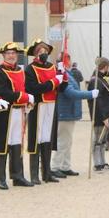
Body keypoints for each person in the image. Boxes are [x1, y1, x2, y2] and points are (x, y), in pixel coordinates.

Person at [0, 43, 33, 189]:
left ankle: (17, 176)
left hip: (19, 111)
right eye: (8, 53)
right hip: (5, 112)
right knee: (3, 145)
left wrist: (27, 101)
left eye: (13, 53)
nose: (11, 55)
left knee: (17, 144)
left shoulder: (21, 71)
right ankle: (1, 179)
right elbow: (3, 93)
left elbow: (25, 88)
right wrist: (24, 97)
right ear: (3, 55)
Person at [24, 39, 65, 184]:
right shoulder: (30, 69)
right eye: (41, 51)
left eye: (46, 51)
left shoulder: (52, 67)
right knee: (36, 138)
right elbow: (33, 88)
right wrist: (54, 82)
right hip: (38, 106)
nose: (44, 54)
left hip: (51, 105)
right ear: (35, 54)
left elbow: (61, 89)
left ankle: (47, 173)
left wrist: (63, 77)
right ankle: (34, 174)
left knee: (47, 138)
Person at [54, 54, 99, 177]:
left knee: (67, 141)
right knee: (62, 141)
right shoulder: (62, 74)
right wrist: (90, 94)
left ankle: (65, 166)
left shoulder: (67, 73)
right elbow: (71, 93)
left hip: (69, 112)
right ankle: (55, 166)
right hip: (64, 112)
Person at [90, 57, 109, 172]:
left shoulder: (100, 79)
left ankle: (103, 162)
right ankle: (97, 163)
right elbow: (98, 101)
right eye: (108, 66)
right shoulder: (96, 80)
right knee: (98, 140)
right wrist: (104, 117)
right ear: (105, 67)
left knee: (103, 140)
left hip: (105, 114)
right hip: (100, 116)